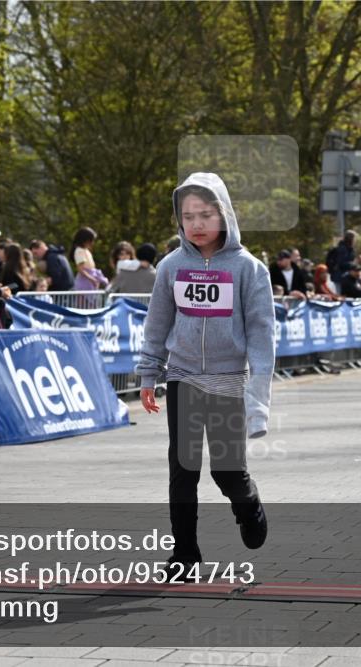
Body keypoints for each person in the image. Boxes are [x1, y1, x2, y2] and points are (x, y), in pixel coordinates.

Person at [137, 172, 273, 580]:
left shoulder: (249, 269)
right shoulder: (171, 267)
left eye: (206, 214)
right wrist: (149, 374)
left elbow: (263, 338)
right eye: (187, 216)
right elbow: (157, 325)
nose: (196, 224)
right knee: (184, 468)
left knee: (227, 471)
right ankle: (185, 556)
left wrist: (258, 400)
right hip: (183, 378)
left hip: (230, 379)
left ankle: (248, 505)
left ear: (224, 215)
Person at [71, 226, 109, 291]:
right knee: (82, 300)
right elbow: (81, 269)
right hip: (84, 281)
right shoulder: (79, 250)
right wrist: (91, 278)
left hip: (90, 280)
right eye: (90, 241)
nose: (92, 243)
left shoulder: (86, 250)